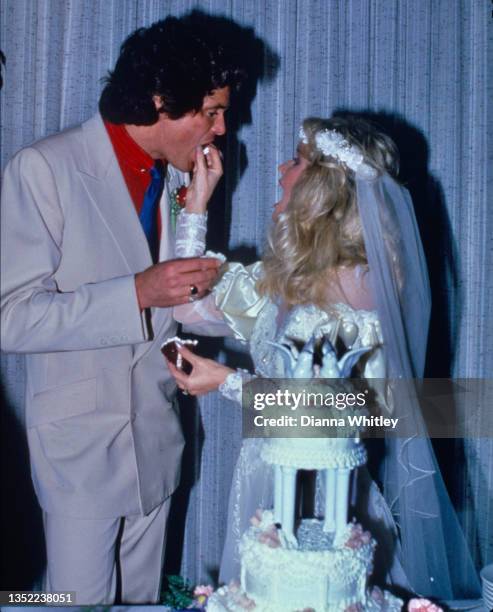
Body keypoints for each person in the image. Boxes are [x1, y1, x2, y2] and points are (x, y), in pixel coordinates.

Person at [168, 116, 481, 599]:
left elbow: (348, 409)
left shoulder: (362, 290)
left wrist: (226, 381)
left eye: (295, 161)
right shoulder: (284, 281)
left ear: (321, 188)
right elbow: (188, 304)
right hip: (263, 487)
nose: (280, 168)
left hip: (337, 501)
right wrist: (197, 204)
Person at [0, 13, 246, 605]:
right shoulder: (45, 169)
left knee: (144, 604)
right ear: (160, 101)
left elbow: (180, 305)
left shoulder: (174, 179)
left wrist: (199, 215)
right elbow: (10, 318)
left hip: (157, 448)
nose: (222, 128)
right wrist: (135, 292)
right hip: (79, 452)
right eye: (210, 112)